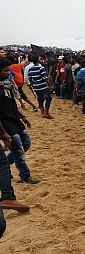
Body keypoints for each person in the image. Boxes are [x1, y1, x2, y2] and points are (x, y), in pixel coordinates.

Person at [0, 57, 40, 185]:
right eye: (6, 71)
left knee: (26, 144)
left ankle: (4, 164)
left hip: (16, 121)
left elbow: (12, 105)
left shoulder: (8, 85)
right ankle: (25, 176)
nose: (9, 73)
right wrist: (3, 133)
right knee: (18, 152)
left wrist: (23, 116)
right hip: (5, 125)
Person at [27, 53, 53, 119]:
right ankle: (46, 112)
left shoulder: (30, 69)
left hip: (36, 86)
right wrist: (50, 86)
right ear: (38, 60)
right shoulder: (41, 68)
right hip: (42, 86)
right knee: (48, 98)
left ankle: (42, 112)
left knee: (40, 99)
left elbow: (30, 79)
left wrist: (32, 85)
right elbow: (45, 78)